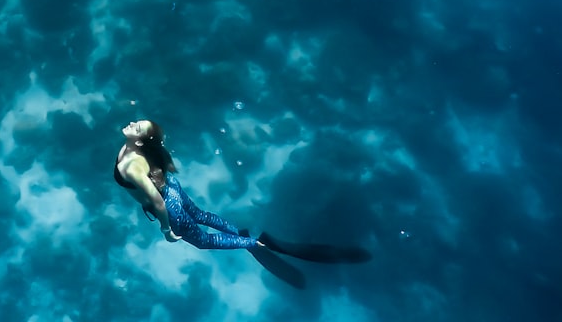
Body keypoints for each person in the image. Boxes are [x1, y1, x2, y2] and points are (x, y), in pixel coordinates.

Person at [114, 119, 371, 288]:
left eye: (137, 127)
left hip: (167, 204)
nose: (133, 123)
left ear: (138, 141)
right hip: (173, 189)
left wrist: (166, 230)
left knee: (204, 241)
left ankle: (254, 243)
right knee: (201, 215)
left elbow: (157, 202)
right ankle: (241, 234)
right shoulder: (139, 149)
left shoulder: (131, 166)